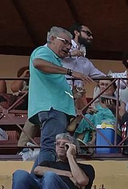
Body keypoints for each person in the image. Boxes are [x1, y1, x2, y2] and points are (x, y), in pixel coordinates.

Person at [27, 26, 91, 165]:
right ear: (52, 39)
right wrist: (70, 72)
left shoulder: (54, 58)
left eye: (70, 44)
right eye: (65, 42)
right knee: (50, 148)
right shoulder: (44, 51)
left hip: (56, 110)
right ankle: (41, 181)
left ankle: (37, 179)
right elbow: (37, 63)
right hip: (52, 109)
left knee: (50, 150)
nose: (68, 46)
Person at [9, 133, 94, 189]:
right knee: (20, 174)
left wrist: (70, 155)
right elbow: (37, 170)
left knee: (50, 176)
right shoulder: (49, 163)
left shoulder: (85, 168)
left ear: (74, 148)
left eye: (65, 144)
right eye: (58, 143)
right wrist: (67, 174)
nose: (60, 146)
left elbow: (81, 180)